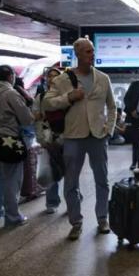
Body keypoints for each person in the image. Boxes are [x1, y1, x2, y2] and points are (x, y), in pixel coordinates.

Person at [43, 38, 117, 241]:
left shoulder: (103, 78)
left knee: (102, 180)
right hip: (73, 136)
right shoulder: (63, 79)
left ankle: (102, 218)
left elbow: (112, 107)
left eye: (93, 51)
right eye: (87, 52)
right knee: (71, 183)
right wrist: (68, 98)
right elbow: (47, 103)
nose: (92, 54)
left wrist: (109, 129)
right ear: (77, 54)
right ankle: (76, 222)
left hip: (98, 136)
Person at [0, 65, 34, 227]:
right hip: (8, 138)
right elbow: (26, 119)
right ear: (11, 76)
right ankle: (12, 216)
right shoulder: (11, 93)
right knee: (12, 178)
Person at [34, 68, 65, 214]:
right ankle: (52, 201)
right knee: (51, 170)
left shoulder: (67, 96)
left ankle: (74, 199)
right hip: (48, 139)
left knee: (71, 172)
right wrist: (40, 138)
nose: (52, 79)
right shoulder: (40, 97)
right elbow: (37, 120)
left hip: (66, 138)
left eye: (55, 76)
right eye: (49, 76)